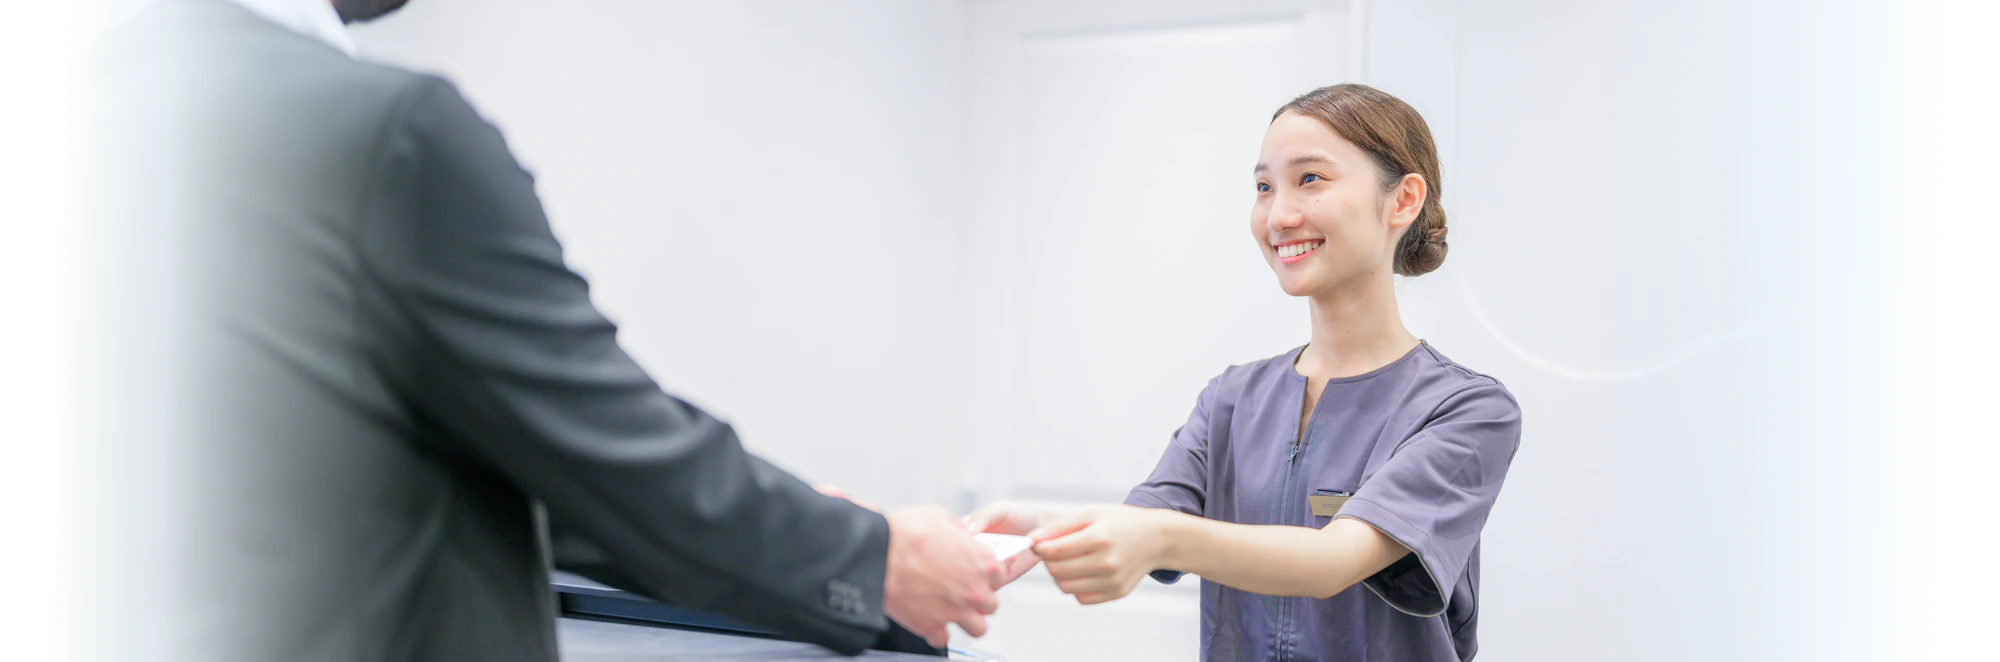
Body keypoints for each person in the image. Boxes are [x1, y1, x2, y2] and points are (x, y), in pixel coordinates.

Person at [76, 1, 1000, 660]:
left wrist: (829, 531)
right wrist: (877, 560)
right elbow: (620, 461)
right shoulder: (389, 135)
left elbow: (486, 458)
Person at [968, 84, 1523, 662]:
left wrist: (1157, 539)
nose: (1278, 215)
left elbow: (1332, 562)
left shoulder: (1468, 410)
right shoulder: (1232, 399)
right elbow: (1147, 523)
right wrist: (1040, 525)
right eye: (1264, 187)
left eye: (1310, 179)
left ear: (1403, 200)